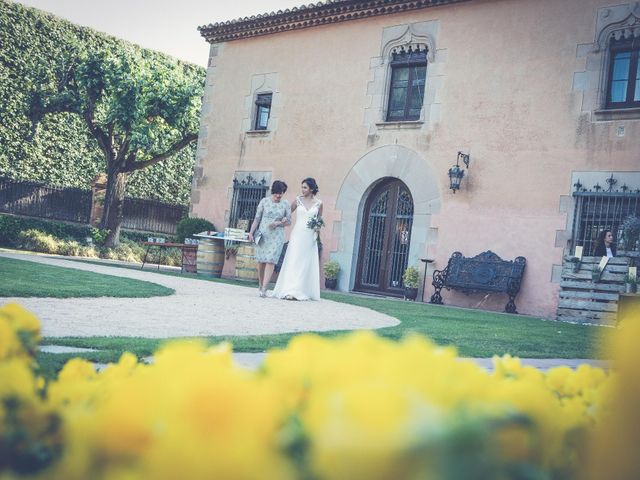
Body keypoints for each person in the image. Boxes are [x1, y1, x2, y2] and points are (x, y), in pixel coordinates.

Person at [271, 177, 322, 300]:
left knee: (305, 263)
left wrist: (317, 231)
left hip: (310, 236)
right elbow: (287, 214)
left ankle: (300, 290)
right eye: (302, 187)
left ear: (312, 188)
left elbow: (319, 221)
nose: (302, 190)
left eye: (305, 187)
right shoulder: (298, 200)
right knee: (294, 260)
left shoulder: (319, 203)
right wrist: (280, 221)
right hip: (297, 235)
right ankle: (289, 290)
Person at [248, 180, 291, 297]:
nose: (278, 195)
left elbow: (288, 222)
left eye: (281, 193)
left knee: (271, 260)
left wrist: (278, 223)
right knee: (261, 261)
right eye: (277, 193)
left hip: (277, 236)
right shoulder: (264, 201)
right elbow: (257, 219)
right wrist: (251, 233)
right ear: (273, 192)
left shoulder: (285, 204)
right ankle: (261, 284)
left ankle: (265, 288)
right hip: (263, 235)